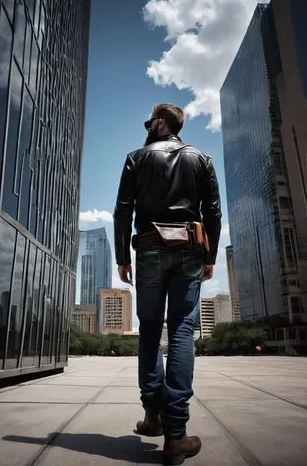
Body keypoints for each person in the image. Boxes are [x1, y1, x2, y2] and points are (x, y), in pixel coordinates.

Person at [113, 103, 221, 465]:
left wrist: (122, 258)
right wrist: (210, 257)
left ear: (161, 123)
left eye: (150, 122)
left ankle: (153, 417)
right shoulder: (202, 159)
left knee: (148, 332)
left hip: (148, 250)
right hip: (190, 250)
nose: (147, 127)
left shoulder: (136, 158)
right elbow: (213, 213)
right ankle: (177, 435)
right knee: (181, 331)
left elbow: (122, 211)